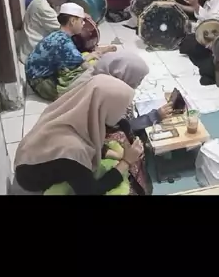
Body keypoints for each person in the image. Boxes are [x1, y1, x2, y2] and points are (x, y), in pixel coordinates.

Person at [14, 76, 144, 196]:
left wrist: (118, 155)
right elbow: (92, 192)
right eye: (122, 108)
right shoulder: (73, 150)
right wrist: (126, 162)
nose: (124, 113)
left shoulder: (70, 109)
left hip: (27, 159)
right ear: (104, 107)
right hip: (30, 179)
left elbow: (90, 142)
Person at [25, 2, 116, 101]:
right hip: (41, 83)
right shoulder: (64, 42)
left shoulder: (57, 34)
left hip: (35, 75)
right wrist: (96, 57)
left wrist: (94, 54)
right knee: (90, 74)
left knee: (86, 58)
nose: (83, 24)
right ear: (72, 21)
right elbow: (81, 62)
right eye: (81, 21)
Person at [91, 51, 174, 131]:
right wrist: (155, 116)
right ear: (122, 75)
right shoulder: (109, 98)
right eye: (139, 79)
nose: (139, 83)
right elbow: (124, 128)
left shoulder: (97, 81)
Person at [17, 0, 74, 64]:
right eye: (62, 0)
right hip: (33, 54)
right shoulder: (43, 8)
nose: (62, 3)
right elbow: (64, 31)